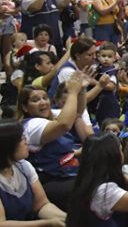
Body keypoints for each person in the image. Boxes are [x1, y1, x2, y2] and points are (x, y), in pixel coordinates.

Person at [0, 119, 68, 227]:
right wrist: (47, 225)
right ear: (8, 146)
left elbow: (41, 205)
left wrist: (67, 220)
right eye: (22, 139)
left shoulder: (24, 167)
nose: (27, 142)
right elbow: (2, 226)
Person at [18, 73, 88, 210]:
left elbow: (77, 113)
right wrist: (72, 92)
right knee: (94, 188)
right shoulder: (31, 125)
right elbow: (64, 125)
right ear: (25, 107)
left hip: (67, 173)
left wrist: (80, 91)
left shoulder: (49, 115)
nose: (43, 102)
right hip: (52, 180)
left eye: (45, 98)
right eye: (36, 100)